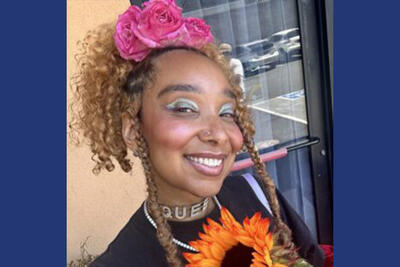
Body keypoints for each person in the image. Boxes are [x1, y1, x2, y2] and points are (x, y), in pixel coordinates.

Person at [70, 0, 325, 266]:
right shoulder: (123, 261)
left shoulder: (256, 194)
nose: (218, 134)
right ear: (134, 131)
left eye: (226, 112)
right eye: (184, 108)